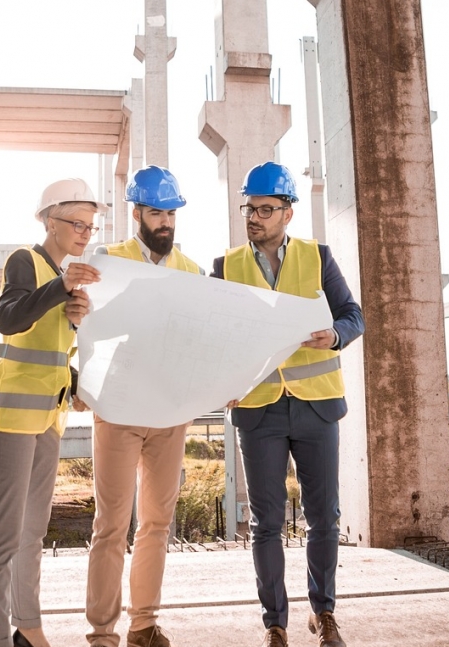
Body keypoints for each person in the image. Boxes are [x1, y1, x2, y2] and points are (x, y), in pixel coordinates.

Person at [211, 162, 365, 647]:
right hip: (259, 410)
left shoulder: (317, 258)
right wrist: (222, 381)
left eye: (265, 209)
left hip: (316, 406)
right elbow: (213, 335)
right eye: (249, 208)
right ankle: (275, 623)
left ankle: (324, 614)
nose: (254, 217)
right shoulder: (226, 266)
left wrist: (335, 335)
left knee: (324, 516)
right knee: (267, 523)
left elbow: (353, 315)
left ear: (287, 213)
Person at [0, 177, 104, 647]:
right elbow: (8, 318)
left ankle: (27, 626)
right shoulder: (25, 260)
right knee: (3, 535)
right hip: (10, 417)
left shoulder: (65, 275)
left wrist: (78, 369)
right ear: (49, 220)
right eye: (76, 223)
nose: (85, 232)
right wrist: (60, 289)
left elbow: (51, 352)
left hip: (48, 416)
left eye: (91, 225)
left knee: (33, 530)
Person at [84, 165, 203, 647]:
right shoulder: (108, 260)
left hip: (170, 413)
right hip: (118, 410)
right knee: (110, 524)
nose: (166, 223)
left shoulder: (192, 271)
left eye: (172, 214)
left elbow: (202, 340)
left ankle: (143, 624)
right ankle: (101, 632)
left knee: (156, 523)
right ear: (137, 213)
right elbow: (84, 326)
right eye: (157, 212)